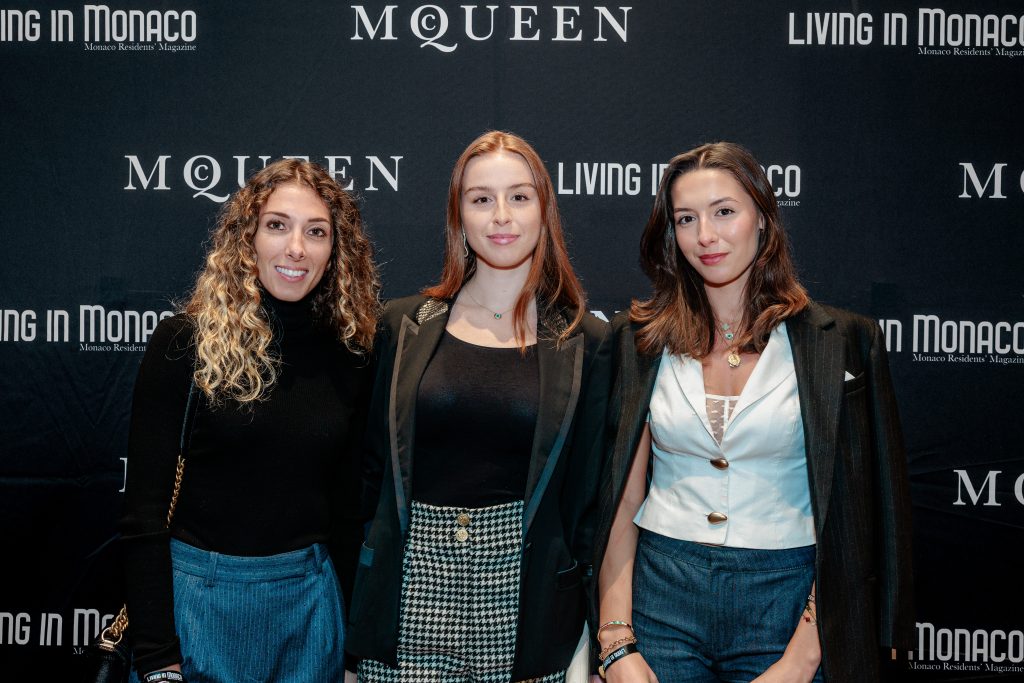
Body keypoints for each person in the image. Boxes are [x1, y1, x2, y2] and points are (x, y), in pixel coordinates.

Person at [594, 142, 914, 682]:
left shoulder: (843, 341)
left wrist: (805, 653)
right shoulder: (638, 341)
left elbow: (863, 509)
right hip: (661, 596)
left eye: (724, 211)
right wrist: (616, 638)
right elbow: (622, 498)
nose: (706, 236)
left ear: (763, 218)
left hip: (788, 602)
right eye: (686, 219)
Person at [346, 131, 611, 682]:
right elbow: (368, 479)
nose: (501, 216)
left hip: (528, 604)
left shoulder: (586, 342)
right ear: (459, 216)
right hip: (408, 594)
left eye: (519, 197)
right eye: (481, 198)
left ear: (544, 210)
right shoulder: (401, 325)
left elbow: (589, 505)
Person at [119, 159, 380, 683]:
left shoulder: (352, 354)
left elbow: (350, 516)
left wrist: (352, 656)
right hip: (197, 609)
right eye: (277, 225)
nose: (296, 248)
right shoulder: (184, 344)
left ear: (336, 250)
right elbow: (143, 514)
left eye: (316, 232)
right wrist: (157, 657)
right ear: (247, 238)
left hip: (310, 612)